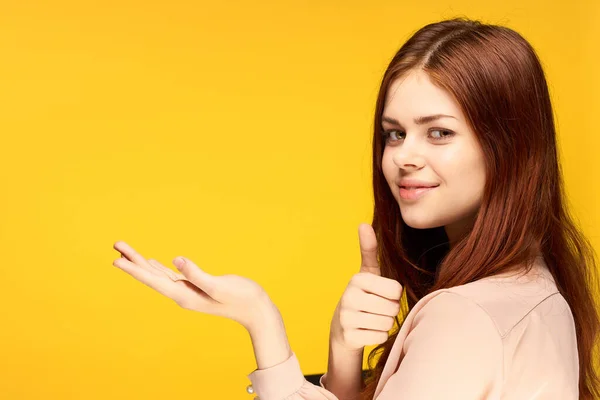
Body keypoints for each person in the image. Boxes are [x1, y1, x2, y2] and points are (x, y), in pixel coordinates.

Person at [112, 17, 600, 400]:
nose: (404, 156)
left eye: (439, 132)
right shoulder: (541, 294)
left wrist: (262, 320)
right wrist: (339, 357)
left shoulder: (463, 315)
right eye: (395, 133)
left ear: (509, 146)